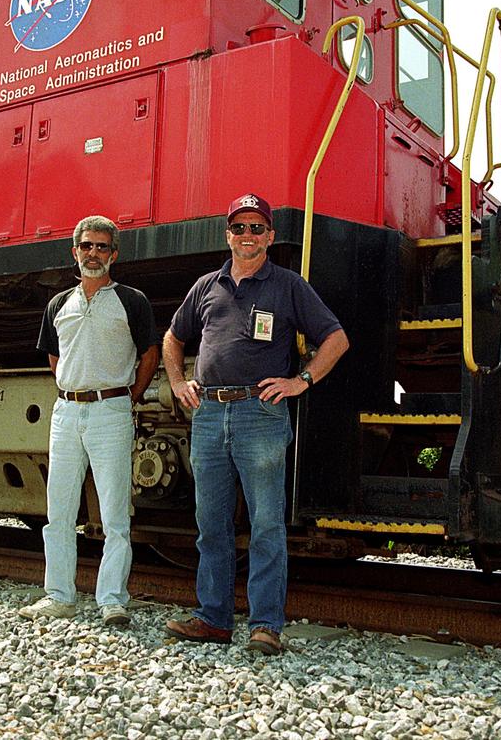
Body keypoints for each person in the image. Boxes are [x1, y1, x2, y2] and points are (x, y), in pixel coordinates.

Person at [161, 193, 349, 655]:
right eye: (239, 228)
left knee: (266, 524)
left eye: (256, 228)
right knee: (211, 523)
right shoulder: (206, 286)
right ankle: (213, 619)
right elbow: (172, 337)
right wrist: (178, 380)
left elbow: (337, 338)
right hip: (208, 413)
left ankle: (266, 624)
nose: (248, 236)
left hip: (258, 414)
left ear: (269, 235)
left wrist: (300, 380)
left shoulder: (287, 285)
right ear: (228, 234)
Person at [20, 215, 159, 626]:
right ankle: (59, 595)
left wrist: (126, 396)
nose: (93, 253)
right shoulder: (58, 304)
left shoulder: (132, 301)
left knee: (115, 512)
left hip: (110, 410)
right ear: (75, 252)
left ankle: (112, 599)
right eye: (86, 246)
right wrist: (71, 387)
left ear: (113, 254)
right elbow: (54, 356)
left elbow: (149, 353)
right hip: (66, 412)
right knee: (59, 510)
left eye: (101, 247)